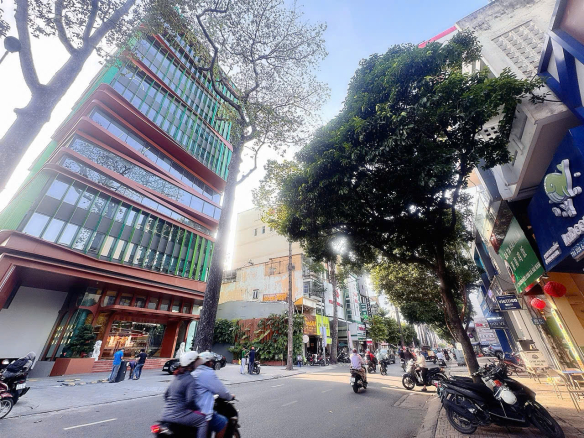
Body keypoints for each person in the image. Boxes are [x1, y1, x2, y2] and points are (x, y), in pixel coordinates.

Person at [161, 351, 206, 438]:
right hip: (179, 415)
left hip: (165, 415)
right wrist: (198, 409)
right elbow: (190, 401)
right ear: (191, 364)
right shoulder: (190, 379)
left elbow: (166, 395)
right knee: (203, 420)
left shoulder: (176, 377)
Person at [193, 351, 235, 438]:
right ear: (207, 362)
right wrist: (230, 396)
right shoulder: (208, 373)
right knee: (223, 422)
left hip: (191, 410)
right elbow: (221, 391)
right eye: (211, 361)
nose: (212, 363)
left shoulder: (193, 372)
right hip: (202, 412)